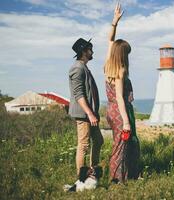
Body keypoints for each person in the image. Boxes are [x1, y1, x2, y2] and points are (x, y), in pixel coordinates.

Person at [104, 2, 140, 184]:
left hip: (110, 110)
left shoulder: (108, 64)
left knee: (122, 144)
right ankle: (118, 180)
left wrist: (115, 22)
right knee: (122, 146)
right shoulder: (120, 70)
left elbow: (110, 41)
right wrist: (126, 121)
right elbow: (119, 97)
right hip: (119, 111)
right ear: (124, 54)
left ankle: (129, 175)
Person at [66, 38, 104, 191]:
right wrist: (90, 113)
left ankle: (92, 173)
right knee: (84, 145)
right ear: (83, 51)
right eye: (90, 49)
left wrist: (93, 113)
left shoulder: (83, 67)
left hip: (90, 114)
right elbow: (78, 94)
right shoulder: (77, 68)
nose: (92, 51)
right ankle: (81, 180)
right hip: (84, 115)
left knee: (99, 141)